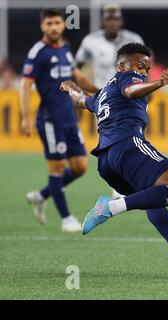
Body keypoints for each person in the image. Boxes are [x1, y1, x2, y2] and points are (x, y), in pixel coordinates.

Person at [59, 43, 168, 271]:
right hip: (127, 145)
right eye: (140, 66)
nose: (143, 72)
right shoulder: (127, 78)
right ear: (121, 66)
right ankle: (109, 208)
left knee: (153, 197)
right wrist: (160, 82)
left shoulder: (103, 94)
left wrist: (71, 87)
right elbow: (130, 90)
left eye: (147, 69)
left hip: (106, 161)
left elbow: (82, 100)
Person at [20, 8, 98, 232]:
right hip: (50, 120)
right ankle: (66, 219)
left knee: (80, 166)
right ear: (42, 26)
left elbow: (78, 77)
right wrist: (26, 118)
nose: (53, 27)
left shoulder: (66, 48)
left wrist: (101, 90)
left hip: (69, 119)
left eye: (57, 23)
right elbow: (25, 85)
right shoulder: (38, 52)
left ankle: (41, 196)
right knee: (57, 166)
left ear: (63, 25)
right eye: (49, 24)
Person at [75, 4, 145, 200]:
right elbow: (76, 67)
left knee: (134, 136)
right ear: (104, 21)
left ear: (121, 21)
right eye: (109, 19)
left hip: (129, 94)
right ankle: (120, 187)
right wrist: (86, 85)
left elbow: (144, 65)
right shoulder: (91, 41)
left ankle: (127, 182)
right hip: (106, 98)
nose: (112, 22)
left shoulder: (134, 39)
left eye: (115, 19)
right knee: (112, 138)